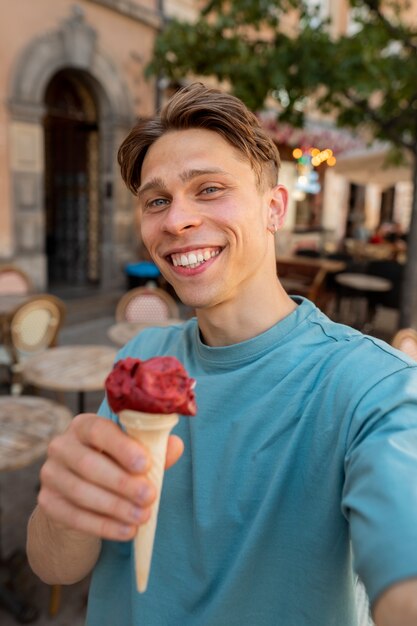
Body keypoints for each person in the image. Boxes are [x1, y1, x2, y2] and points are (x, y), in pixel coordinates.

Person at [27, 83, 417, 626]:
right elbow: (55, 568)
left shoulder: (375, 386)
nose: (175, 220)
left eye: (208, 189)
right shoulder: (142, 360)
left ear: (274, 208)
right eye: (156, 200)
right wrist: (63, 509)